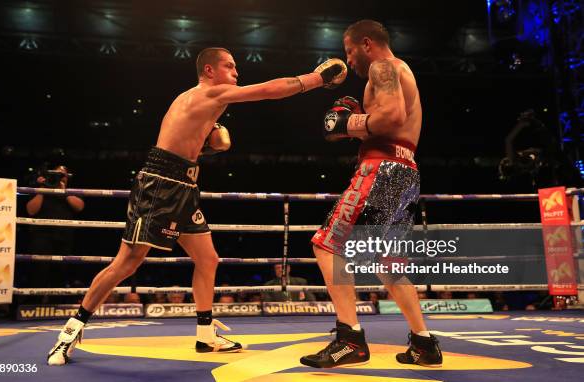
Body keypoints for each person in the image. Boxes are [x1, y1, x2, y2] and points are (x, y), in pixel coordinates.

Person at [47, 47, 347, 365]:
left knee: (208, 259)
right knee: (128, 263)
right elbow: (269, 91)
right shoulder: (208, 93)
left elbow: (201, 142)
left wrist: (210, 138)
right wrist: (316, 78)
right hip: (160, 185)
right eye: (229, 67)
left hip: (185, 186)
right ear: (209, 71)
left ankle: (205, 336)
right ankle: (70, 331)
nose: (236, 73)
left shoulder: (203, 103)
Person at [300, 20, 443, 368]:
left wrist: (347, 123)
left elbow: (392, 117)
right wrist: (358, 121)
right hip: (405, 171)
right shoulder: (399, 72)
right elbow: (389, 119)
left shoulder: (383, 67)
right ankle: (424, 343)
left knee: (326, 244)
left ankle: (349, 339)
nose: (349, 61)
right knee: (387, 261)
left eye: (349, 52)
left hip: (382, 168)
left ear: (366, 44)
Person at [23, 165, 84, 289]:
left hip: (64, 236)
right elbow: (31, 211)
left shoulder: (71, 192)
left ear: (67, 178)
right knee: (39, 270)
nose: (60, 178)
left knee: (60, 271)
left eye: (63, 175)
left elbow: (79, 206)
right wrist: (43, 189)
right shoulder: (40, 190)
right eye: (56, 175)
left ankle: (57, 303)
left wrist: (64, 191)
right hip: (41, 235)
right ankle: (36, 303)